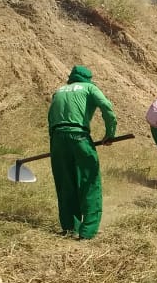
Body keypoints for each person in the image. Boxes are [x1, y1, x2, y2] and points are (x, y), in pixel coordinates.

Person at [47, 65, 117, 239]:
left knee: (65, 183)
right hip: (79, 136)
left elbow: (50, 117)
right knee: (90, 181)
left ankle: (70, 228)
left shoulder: (59, 91)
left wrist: (55, 144)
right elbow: (106, 106)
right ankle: (88, 231)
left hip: (57, 138)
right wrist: (110, 133)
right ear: (88, 78)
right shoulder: (89, 88)